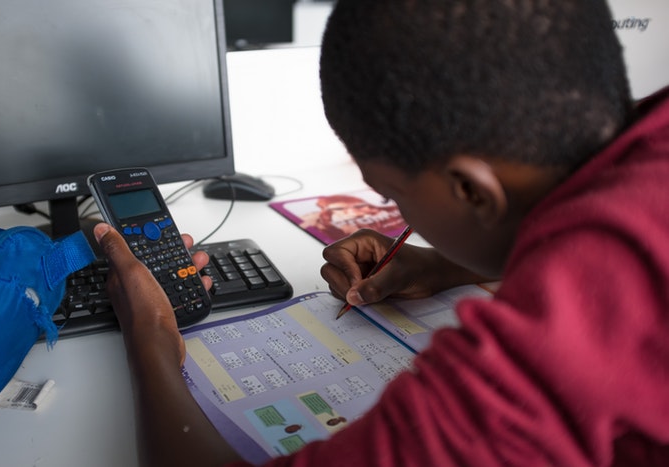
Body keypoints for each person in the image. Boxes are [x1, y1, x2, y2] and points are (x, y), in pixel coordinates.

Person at [94, 0, 669, 465]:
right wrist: (450, 264)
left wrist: (150, 331)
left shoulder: (556, 346)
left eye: (392, 194)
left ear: (471, 191)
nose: (396, 216)